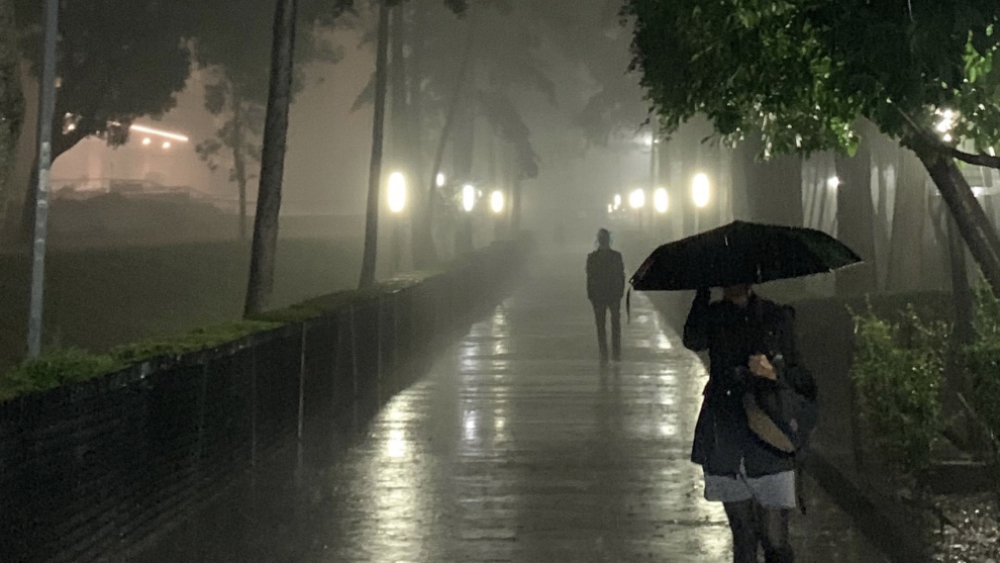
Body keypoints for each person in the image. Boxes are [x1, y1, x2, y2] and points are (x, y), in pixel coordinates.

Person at [683, 284, 816, 563]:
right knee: (743, 536)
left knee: (775, 538)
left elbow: (803, 380)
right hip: (726, 437)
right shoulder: (713, 316)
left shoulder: (775, 316)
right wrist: (702, 291)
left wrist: (774, 372)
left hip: (770, 437)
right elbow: (693, 340)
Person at [586, 228, 625, 364]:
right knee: (613, 323)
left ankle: (605, 349)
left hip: (602, 294)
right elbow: (621, 276)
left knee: (602, 324)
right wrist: (620, 291)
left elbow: (590, 278)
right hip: (610, 294)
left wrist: (591, 294)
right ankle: (614, 349)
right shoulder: (616, 256)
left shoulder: (592, 258)